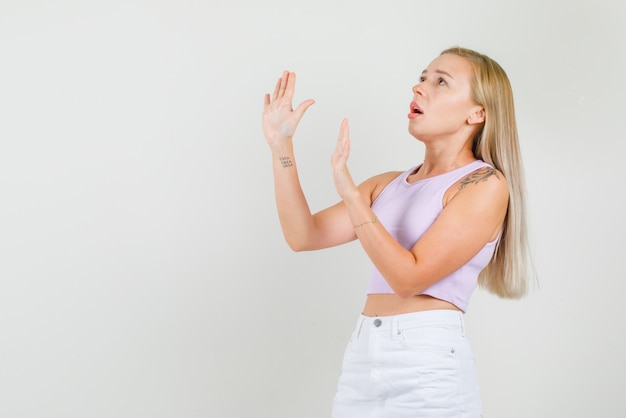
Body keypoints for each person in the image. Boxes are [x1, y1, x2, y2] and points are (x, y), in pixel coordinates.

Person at [262, 46, 533, 418]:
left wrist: (352, 197)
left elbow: (409, 278)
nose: (419, 88)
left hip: (428, 362)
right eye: (422, 78)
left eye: (441, 82)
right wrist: (281, 145)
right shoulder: (387, 184)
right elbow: (302, 235)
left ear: (478, 113)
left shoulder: (485, 184)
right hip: (363, 356)